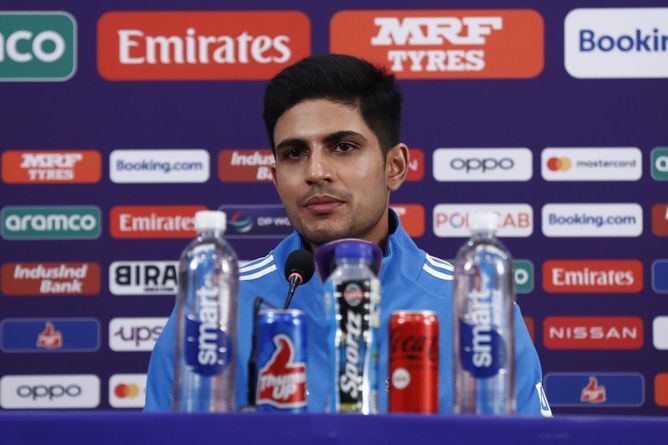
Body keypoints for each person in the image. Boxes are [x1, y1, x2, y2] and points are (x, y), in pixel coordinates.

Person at [145, 54, 551, 415]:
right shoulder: (212, 310)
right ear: (275, 177)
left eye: (342, 147)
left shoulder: (478, 309)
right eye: (294, 153)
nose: (316, 172)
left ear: (395, 167)